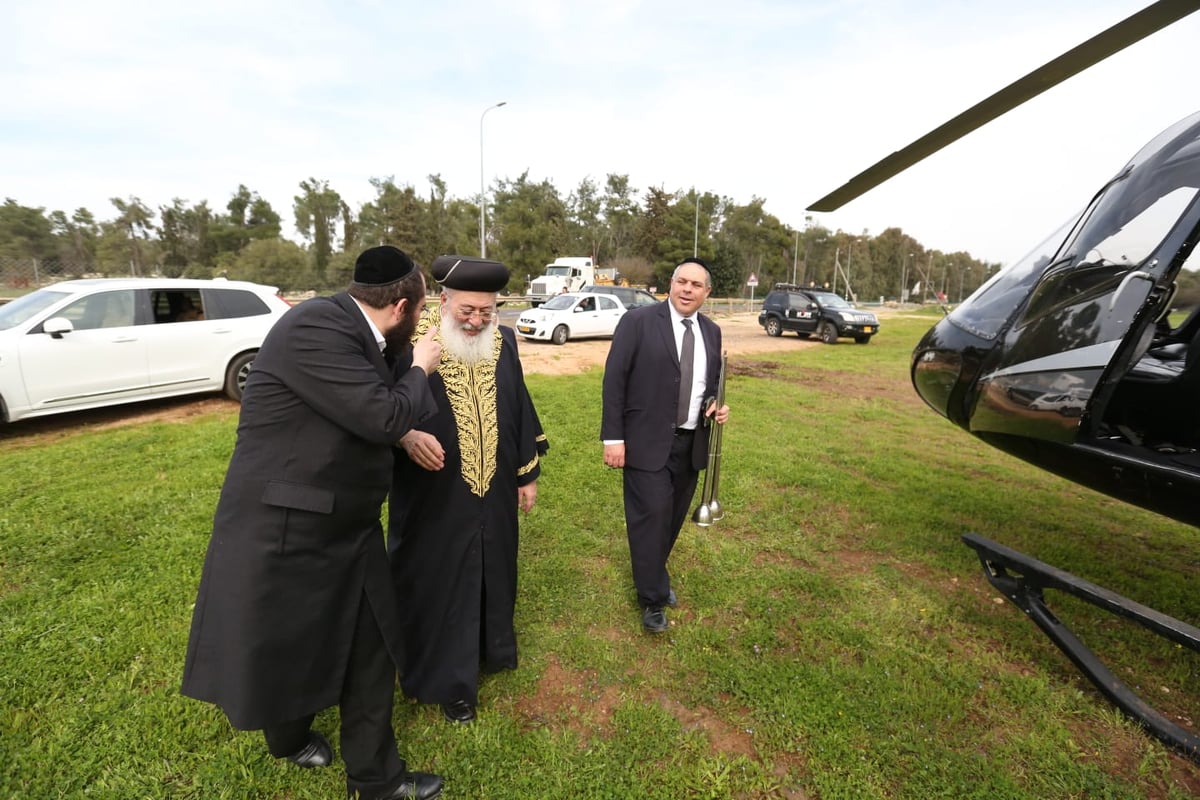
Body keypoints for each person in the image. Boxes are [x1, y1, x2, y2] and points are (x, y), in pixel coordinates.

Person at [181, 245, 446, 800]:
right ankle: (287, 738)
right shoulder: (315, 326)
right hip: (285, 528)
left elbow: (362, 405)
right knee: (285, 642)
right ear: (401, 308)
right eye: (421, 312)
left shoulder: (360, 334)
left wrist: (403, 430)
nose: (420, 323)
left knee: (371, 649)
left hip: (348, 526)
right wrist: (421, 366)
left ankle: (375, 781)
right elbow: (383, 412)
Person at [388, 255, 548, 725]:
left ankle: (490, 649)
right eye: (467, 312)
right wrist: (404, 435)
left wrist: (526, 474)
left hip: (494, 484)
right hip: (432, 492)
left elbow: (518, 405)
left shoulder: (504, 340)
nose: (477, 321)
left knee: (491, 564)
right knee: (440, 577)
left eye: (486, 311)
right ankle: (447, 681)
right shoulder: (407, 343)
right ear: (444, 301)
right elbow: (376, 406)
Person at [601, 258, 730, 634]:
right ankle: (652, 599)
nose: (687, 290)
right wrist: (613, 438)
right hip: (644, 442)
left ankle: (654, 575)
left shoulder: (713, 332)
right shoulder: (638, 322)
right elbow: (615, 381)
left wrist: (715, 407)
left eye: (696, 285)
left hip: (691, 444)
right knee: (651, 519)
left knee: (671, 519)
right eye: (681, 282)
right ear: (670, 285)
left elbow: (711, 384)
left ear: (707, 293)